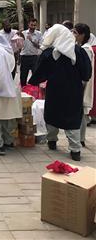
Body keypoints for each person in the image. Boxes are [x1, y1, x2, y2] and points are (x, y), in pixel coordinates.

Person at [29, 24, 92, 161]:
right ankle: (75, 150)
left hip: (54, 91)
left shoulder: (50, 53)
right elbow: (86, 74)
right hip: (73, 92)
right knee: (72, 119)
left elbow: (38, 73)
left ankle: (52, 141)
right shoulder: (79, 52)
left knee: (52, 115)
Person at [73, 24, 96, 147]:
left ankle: (80, 138)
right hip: (81, 84)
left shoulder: (86, 49)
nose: (74, 35)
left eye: (75, 33)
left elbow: (85, 70)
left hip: (83, 84)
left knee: (81, 112)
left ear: (82, 35)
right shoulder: (82, 47)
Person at [20, 18, 42, 87]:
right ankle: (23, 92)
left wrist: (32, 40)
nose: (33, 27)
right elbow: (19, 46)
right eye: (31, 25)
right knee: (23, 76)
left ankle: (36, 92)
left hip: (34, 57)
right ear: (28, 24)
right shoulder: (23, 33)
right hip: (24, 57)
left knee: (36, 76)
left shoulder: (39, 34)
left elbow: (40, 46)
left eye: (34, 25)